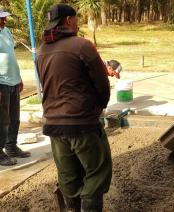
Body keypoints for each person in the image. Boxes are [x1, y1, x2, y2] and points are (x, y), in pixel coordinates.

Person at [36, 4, 112, 211]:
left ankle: (71, 208)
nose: (77, 23)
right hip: (82, 122)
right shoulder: (82, 46)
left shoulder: (41, 51)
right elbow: (102, 83)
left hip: (53, 124)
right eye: (76, 19)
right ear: (69, 21)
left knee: (68, 176)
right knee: (97, 172)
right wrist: (100, 106)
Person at [0, 8, 31, 166]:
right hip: (1, 84)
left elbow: (11, 55)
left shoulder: (5, 32)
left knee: (14, 118)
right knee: (2, 121)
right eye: (1, 18)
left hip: (13, 81)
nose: (4, 21)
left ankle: (11, 146)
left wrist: (18, 78)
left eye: (5, 18)